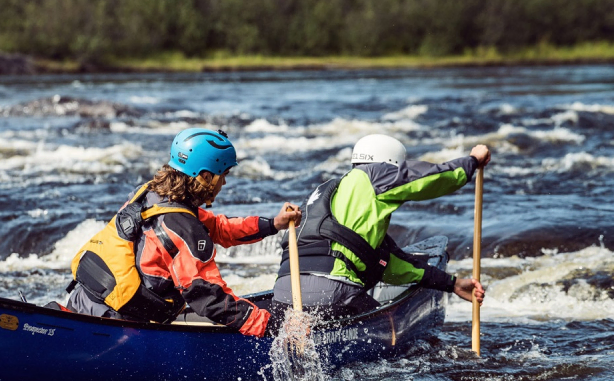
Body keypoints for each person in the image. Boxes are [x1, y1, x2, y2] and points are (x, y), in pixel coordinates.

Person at [65, 127, 301, 337]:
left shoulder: (151, 193)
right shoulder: (182, 226)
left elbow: (218, 228)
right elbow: (209, 297)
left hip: (83, 300)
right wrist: (274, 327)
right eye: (223, 176)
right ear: (206, 176)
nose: (224, 185)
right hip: (114, 326)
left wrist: (273, 224)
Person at [272, 134, 489, 316]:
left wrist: (452, 284)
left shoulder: (329, 195)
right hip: (331, 291)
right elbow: (430, 178)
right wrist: (471, 161)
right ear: (392, 165)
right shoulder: (375, 175)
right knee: (388, 323)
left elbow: (389, 264)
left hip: (283, 294)